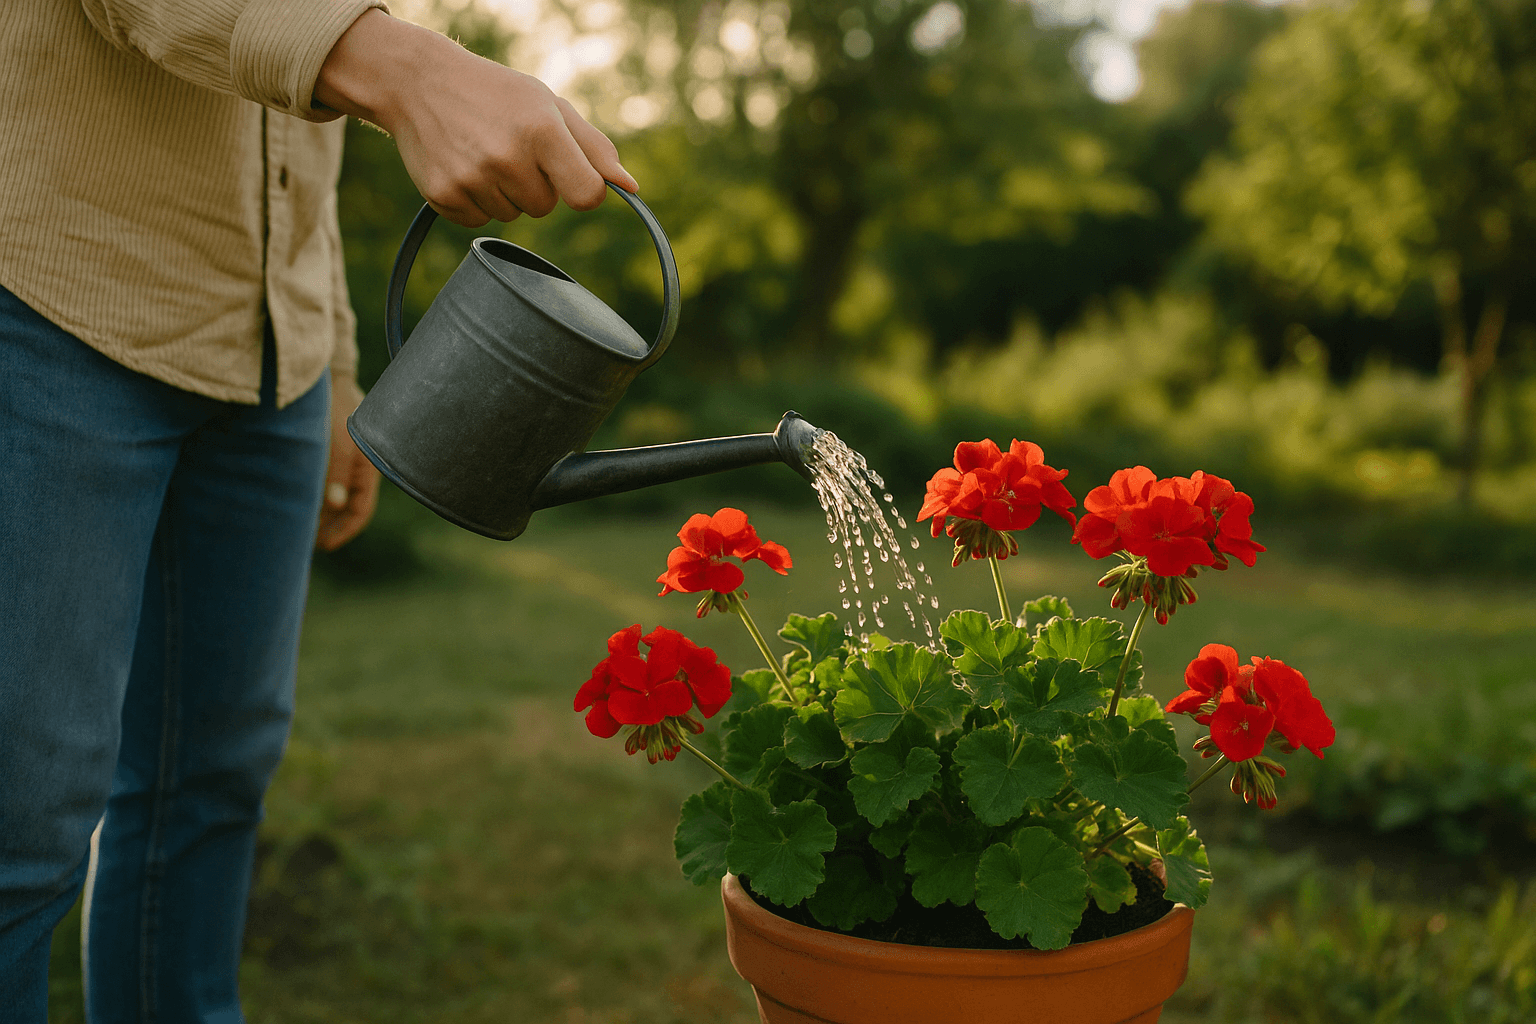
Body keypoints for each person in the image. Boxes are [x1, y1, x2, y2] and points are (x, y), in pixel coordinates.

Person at [0, 3, 636, 1020]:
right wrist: (413, 70)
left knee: (208, 791)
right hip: (50, 292)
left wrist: (333, 353)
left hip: (273, 349)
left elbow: (297, 140)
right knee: (18, 824)